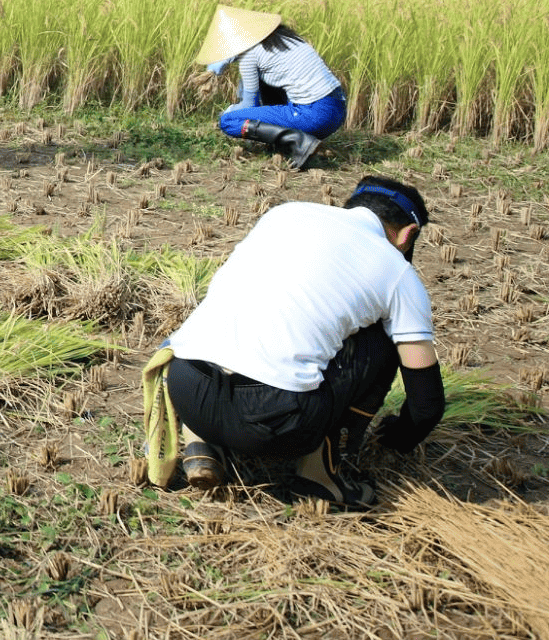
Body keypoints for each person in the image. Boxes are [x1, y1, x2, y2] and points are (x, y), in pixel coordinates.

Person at [149, 176, 444, 511]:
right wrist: (397, 438)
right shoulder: (398, 273)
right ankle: (320, 475)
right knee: (384, 340)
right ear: (408, 235)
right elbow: (427, 404)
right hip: (274, 425)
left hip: (187, 388)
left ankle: (201, 442)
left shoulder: (284, 214)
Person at [195, 5, 346, 170]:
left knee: (228, 121)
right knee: (265, 85)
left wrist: (230, 110)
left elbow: (249, 105)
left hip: (314, 115)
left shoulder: (249, 57)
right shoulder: (287, 39)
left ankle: (299, 141)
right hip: (337, 110)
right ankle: (285, 142)